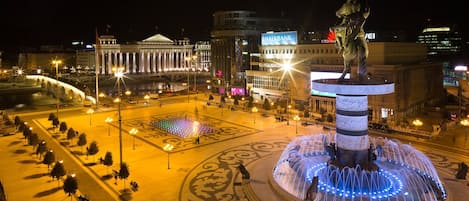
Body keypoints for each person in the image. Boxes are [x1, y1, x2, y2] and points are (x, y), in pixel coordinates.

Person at [333, 0, 370, 81]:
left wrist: (351, 16)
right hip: (349, 33)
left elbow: (366, 13)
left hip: (359, 33)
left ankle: (362, 75)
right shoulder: (346, 4)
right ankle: (346, 69)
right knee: (350, 54)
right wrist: (342, 15)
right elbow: (337, 13)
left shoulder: (360, 3)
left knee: (363, 52)